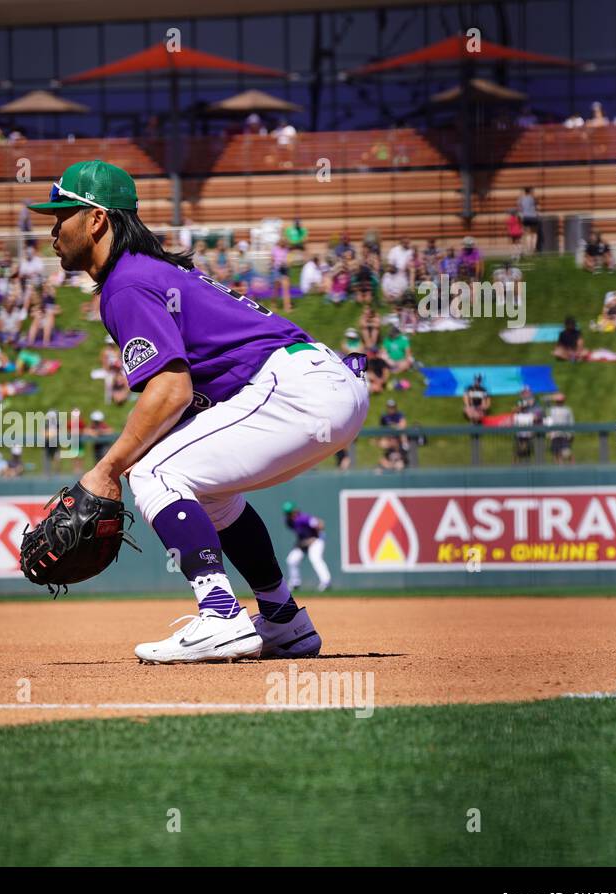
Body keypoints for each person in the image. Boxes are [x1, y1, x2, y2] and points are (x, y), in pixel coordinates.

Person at [27, 159, 367, 664]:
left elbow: (170, 391)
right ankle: (282, 619)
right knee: (206, 492)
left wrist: (107, 470)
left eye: (62, 215)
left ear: (96, 219)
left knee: (153, 471)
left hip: (296, 389)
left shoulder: (126, 283)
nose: (53, 229)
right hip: (319, 384)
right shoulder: (151, 273)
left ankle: (220, 615)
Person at [282, 501, 331, 592]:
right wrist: (303, 542)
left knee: (315, 558)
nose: (289, 515)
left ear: (295, 510)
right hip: (304, 543)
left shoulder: (303, 518)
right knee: (292, 560)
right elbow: (301, 533)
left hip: (316, 540)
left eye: (290, 512)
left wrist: (315, 537)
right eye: (287, 513)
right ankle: (295, 583)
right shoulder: (289, 522)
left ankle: (326, 582)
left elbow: (320, 524)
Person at [545, 393, 575, 464]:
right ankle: (559, 466)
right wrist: (548, 432)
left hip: (565, 434)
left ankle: (572, 463)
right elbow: (549, 420)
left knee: (566, 452)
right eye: (558, 401)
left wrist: (572, 433)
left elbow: (571, 421)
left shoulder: (567, 410)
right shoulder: (551, 410)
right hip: (555, 434)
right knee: (556, 452)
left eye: (560, 400)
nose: (559, 402)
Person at [518, 187, 540, 254]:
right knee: (534, 233)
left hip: (526, 217)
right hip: (533, 217)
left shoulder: (521, 199)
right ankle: (533, 249)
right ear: (531, 191)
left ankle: (528, 249)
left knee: (527, 234)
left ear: (525, 192)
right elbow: (537, 207)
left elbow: (520, 209)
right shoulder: (533, 198)